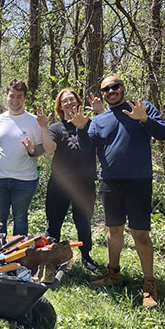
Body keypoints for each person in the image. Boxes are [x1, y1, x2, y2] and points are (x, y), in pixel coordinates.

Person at [71, 76, 165, 307]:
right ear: (102, 94)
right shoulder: (99, 120)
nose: (111, 91)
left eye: (115, 87)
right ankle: (113, 275)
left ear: (123, 88)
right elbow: (86, 149)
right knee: (113, 231)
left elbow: (164, 133)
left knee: (140, 234)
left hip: (139, 182)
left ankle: (149, 284)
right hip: (109, 183)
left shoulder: (142, 108)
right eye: (106, 89)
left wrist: (144, 119)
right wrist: (81, 129)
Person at [0, 79, 56, 236]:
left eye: (19, 96)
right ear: (6, 96)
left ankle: (20, 257)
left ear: (24, 98)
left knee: (20, 218)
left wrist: (32, 151)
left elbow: (43, 148)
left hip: (24, 180)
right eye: (11, 96)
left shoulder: (34, 121)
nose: (15, 100)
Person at [45, 88, 104, 271]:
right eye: (65, 101)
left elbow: (106, 135)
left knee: (83, 221)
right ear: (60, 107)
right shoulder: (55, 128)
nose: (69, 103)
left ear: (78, 103)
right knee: (54, 222)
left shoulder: (91, 125)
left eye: (72, 99)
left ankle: (86, 256)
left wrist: (100, 112)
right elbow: (49, 147)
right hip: (59, 183)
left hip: (84, 182)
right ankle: (50, 258)